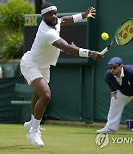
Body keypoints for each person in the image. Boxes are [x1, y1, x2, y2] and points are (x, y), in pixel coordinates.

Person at [20, 2, 102, 147]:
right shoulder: (47, 32)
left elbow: (64, 20)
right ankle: (34, 131)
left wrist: (82, 16)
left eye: (55, 13)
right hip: (30, 64)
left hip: (44, 66)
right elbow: (66, 48)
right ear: (43, 16)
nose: (54, 16)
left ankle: (32, 122)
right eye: (50, 14)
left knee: (38, 95)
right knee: (46, 95)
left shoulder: (55, 21)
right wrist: (90, 53)